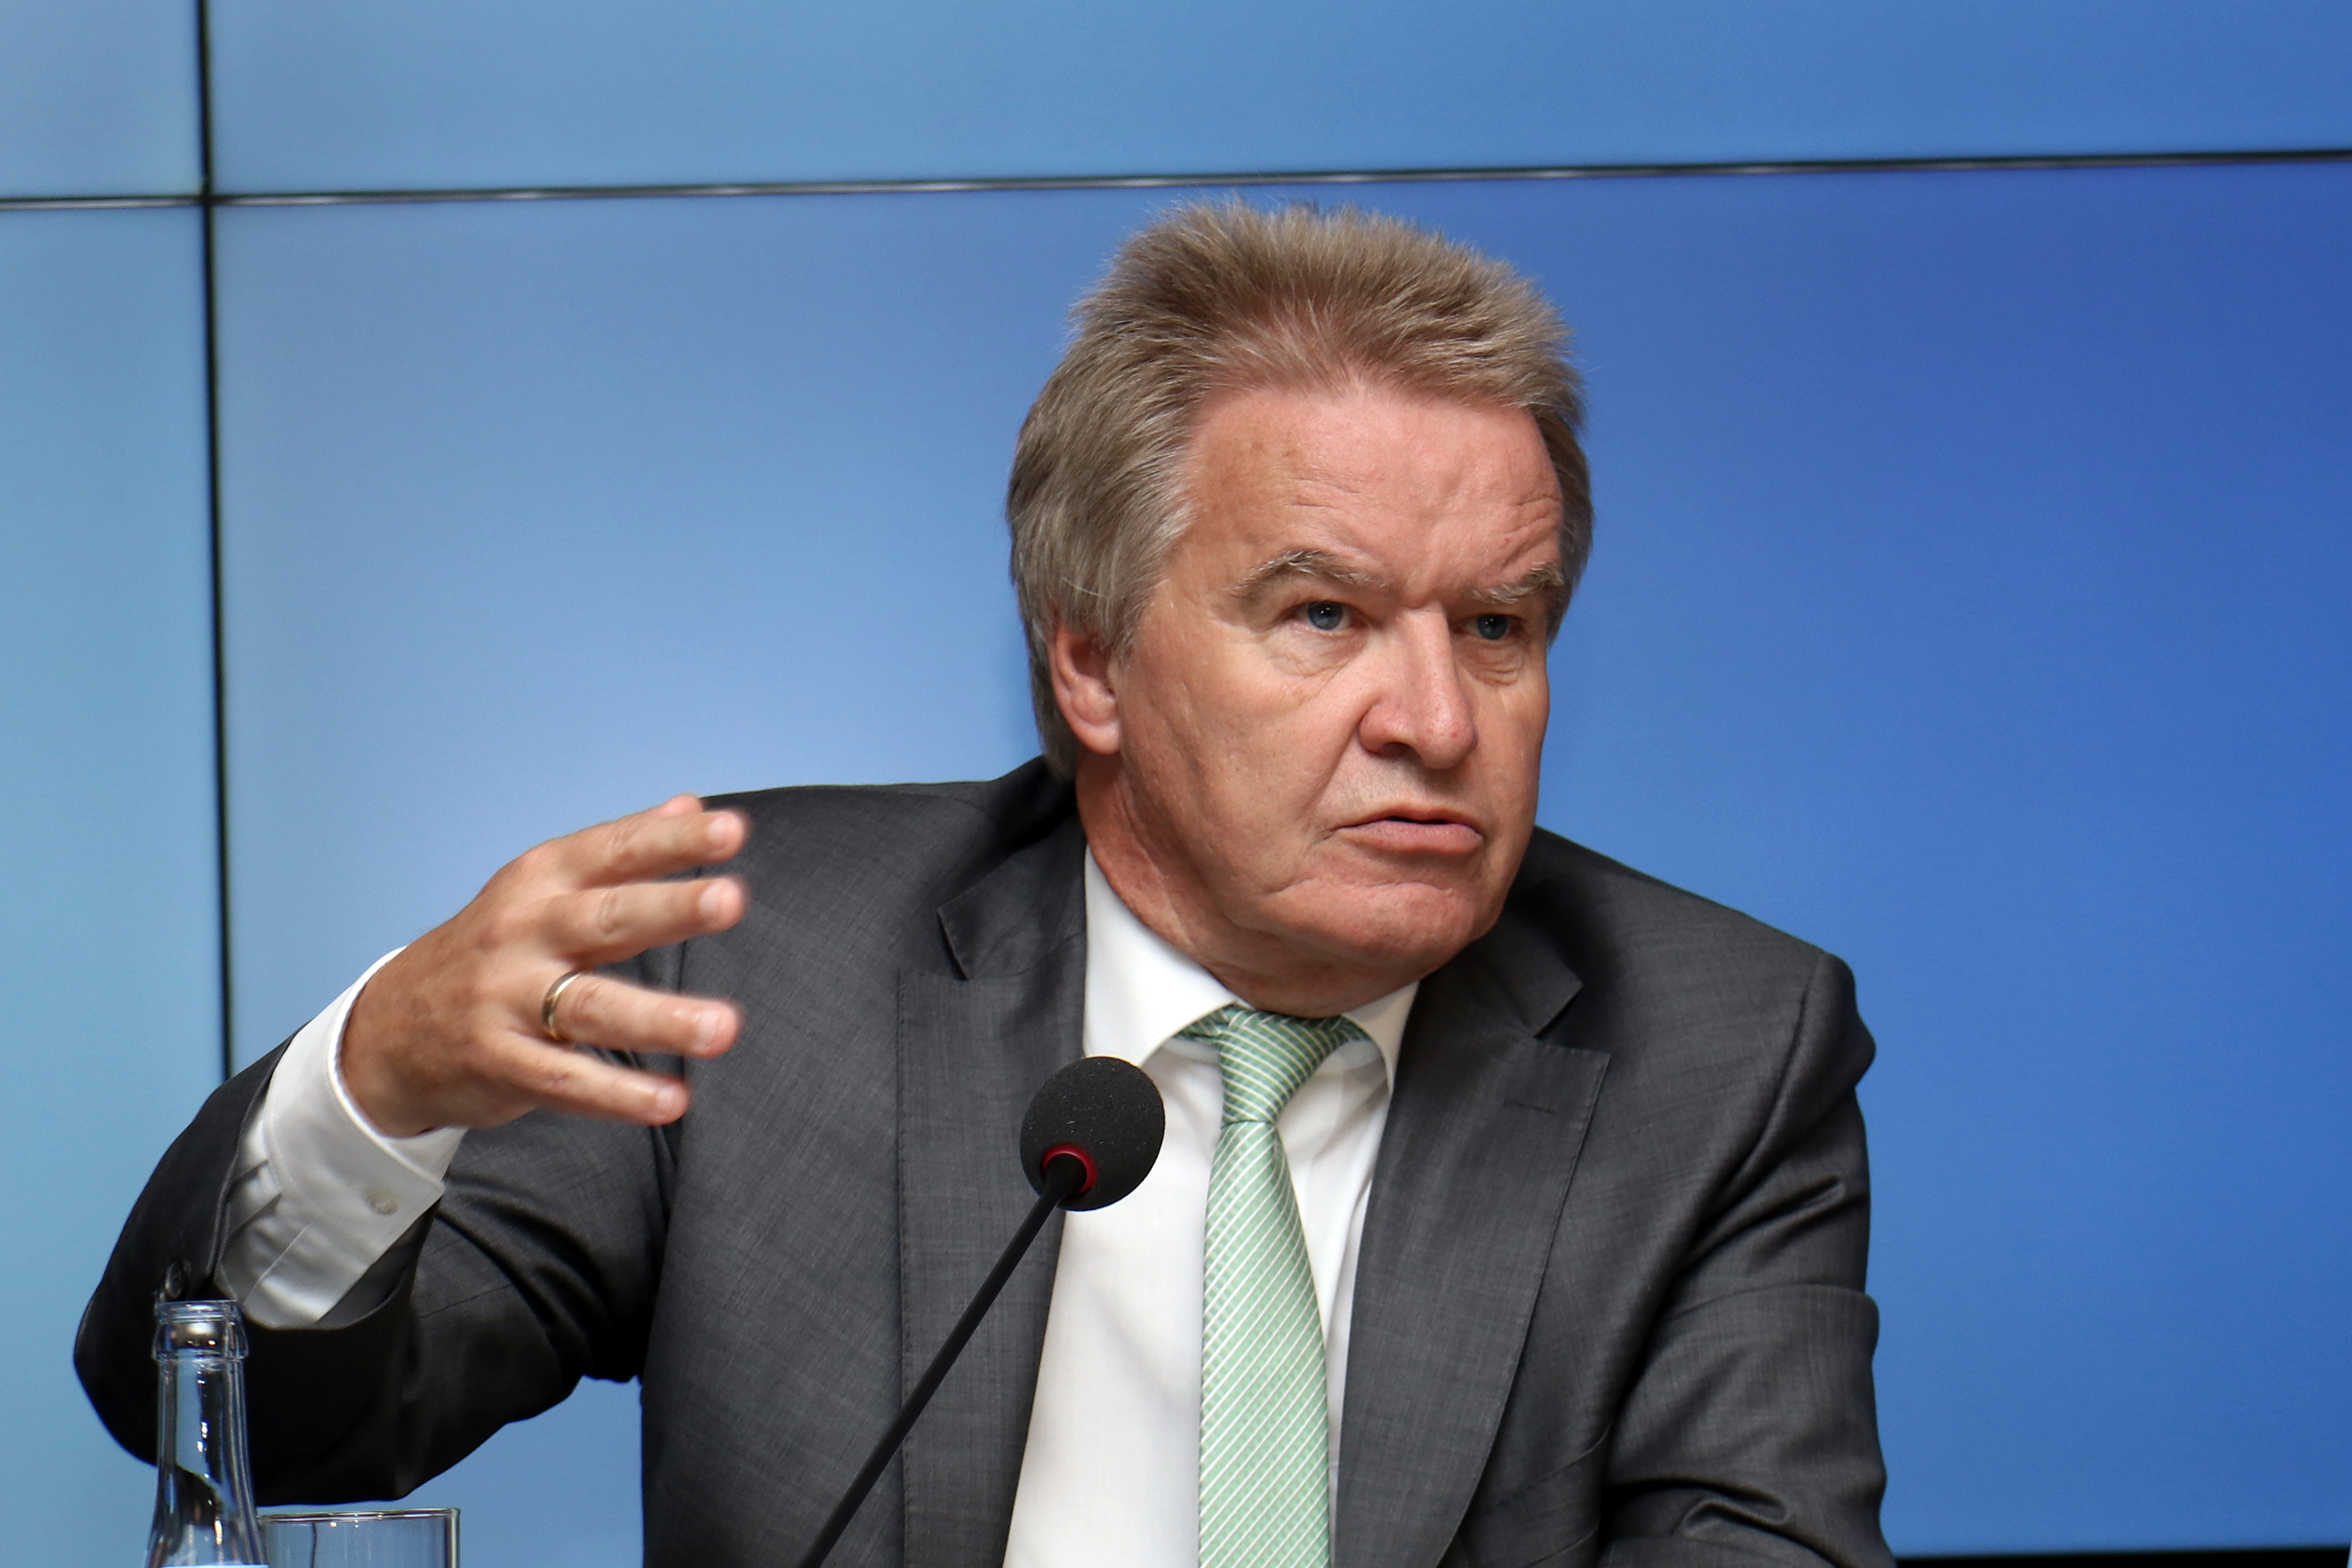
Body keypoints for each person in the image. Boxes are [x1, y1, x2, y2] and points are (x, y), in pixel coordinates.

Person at [80, 201, 1891, 1568]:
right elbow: (278, 1437)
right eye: (1325, 614)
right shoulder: (753, 963)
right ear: (1090, 660)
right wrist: (376, 1087)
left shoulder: (1720, 1049)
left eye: (1497, 625)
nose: (1434, 718)